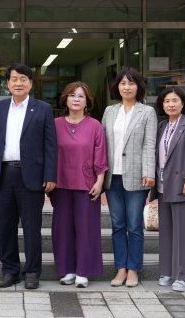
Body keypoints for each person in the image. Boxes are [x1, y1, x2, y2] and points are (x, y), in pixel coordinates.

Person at [0, 63, 57, 290]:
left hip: (32, 176)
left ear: (31, 83)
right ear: (7, 83)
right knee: (6, 226)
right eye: (14, 79)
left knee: (31, 226)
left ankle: (32, 271)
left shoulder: (43, 109)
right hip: (4, 174)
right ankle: (9, 270)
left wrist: (50, 175)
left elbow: (50, 145)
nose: (18, 83)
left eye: (23, 79)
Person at [100, 67, 156, 288]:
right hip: (112, 176)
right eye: (123, 83)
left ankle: (133, 269)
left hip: (137, 176)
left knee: (134, 225)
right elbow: (102, 144)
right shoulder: (109, 111)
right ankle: (120, 268)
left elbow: (149, 144)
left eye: (131, 83)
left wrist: (149, 172)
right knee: (117, 224)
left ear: (138, 87)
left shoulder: (147, 112)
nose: (127, 87)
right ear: (117, 87)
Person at [52, 81, 107, 289]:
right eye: (72, 95)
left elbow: (100, 154)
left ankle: (84, 271)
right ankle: (67, 270)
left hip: (87, 184)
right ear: (65, 99)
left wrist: (100, 182)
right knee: (62, 229)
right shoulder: (55, 124)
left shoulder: (95, 126)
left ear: (87, 101)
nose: (76, 99)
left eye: (81, 96)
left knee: (86, 229)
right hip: (60, 184)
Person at [152, 86, 185, 292]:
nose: (170, 104)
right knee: (166, 232)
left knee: (184, 233)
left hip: (183, 185)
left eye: (175, 100)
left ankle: (184, 276)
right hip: (164, 186)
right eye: (166, 101)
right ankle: (167, 271)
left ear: (183, 103)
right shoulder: (162, 125)